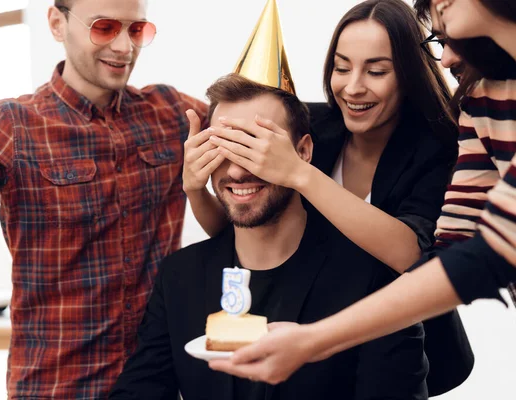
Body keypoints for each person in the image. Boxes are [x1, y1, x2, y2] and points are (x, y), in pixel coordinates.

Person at [0, 0, 220, 397]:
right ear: (58, 23)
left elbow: (253, 125)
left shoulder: (171, 113)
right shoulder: (12, 123)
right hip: (56, 386)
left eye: (136, 30)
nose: (124, 48)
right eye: (105, 27)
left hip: (153, 384)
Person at [208, 0, 516, 386]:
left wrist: (300, 174)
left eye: (376, 70)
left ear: (406, 73)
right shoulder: (313, 127)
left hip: (401, 349)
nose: (353, 86)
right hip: (308, 335)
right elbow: (464, 253)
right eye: (341, 67)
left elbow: (425, 254)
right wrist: (195, 187)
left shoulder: (438, 144)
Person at [112, 73, 429, 400]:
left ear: (303, 152)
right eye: (224, 147)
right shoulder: (179, 277)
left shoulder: (371, 280)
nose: (236, 171)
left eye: (254, 147)